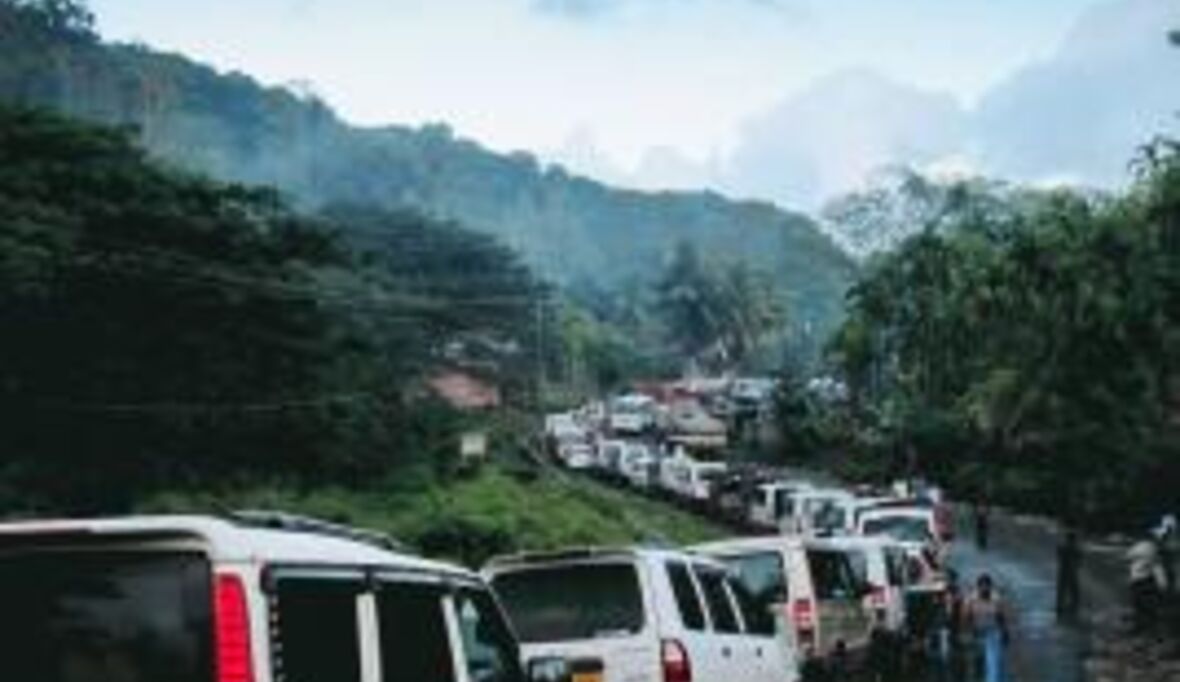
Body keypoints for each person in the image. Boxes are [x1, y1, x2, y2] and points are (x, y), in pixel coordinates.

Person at [965, 574, 1009, 682]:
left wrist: (1005, 632)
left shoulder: (996, 599)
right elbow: (966, 617)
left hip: (992, 632)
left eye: (987, 586)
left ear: (990, 587)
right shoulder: (971, 599)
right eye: (982, 586)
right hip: (977, 632)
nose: (984, 589)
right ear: (978, 587)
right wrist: (969, 631)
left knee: (993, 663)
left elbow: (1001, 617)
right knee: (977, 663)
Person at [1127, 531, 1166, 632]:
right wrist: (1162, 583)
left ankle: (1141, 626)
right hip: (1146, 580)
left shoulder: (1137, 546)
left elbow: (1128, 556)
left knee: (1139, 604)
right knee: (1146, 605)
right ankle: (1149, 626)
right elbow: (1157, 567)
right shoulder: (1153, 548)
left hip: (1138, 580)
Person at [1056, 529, 1082, 620]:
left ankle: (1060, 605)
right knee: (1073, 589)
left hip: (1063, 570)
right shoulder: (1075, 548)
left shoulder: (1062, 547)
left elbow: (1059, 556)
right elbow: (1079, 559)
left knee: (1062, 589)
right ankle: (1073, 605)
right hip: (1071, 571)